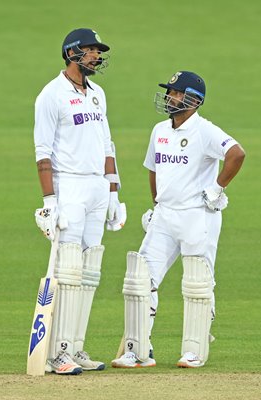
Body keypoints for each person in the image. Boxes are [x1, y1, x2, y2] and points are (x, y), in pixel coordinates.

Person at [111, 70, 245, 369]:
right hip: (165, 218)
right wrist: (157, 203)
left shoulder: (205, 130)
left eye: (175, 93)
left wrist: (215, 189)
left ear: (193, 100)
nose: (169, 97)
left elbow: (237, 154)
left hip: (198, 216)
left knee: (197, 283)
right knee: (140, 279)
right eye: (169, 92)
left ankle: (194, 349)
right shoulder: (159, 129)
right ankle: (138, 350)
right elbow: (153, 168)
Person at [33, 28, 126, 375]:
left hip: (97, 189)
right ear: (72, 53)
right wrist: (49, 200)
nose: (96, 57)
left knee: (89, 272)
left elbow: (107, 144)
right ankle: (57, 352)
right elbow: (42, 153)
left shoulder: (98, 93)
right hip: (68, 185)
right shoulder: (50, 95)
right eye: (90, 51)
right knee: (68, 271)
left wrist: (114, 191)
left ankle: (75, 347)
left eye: (98, 52)